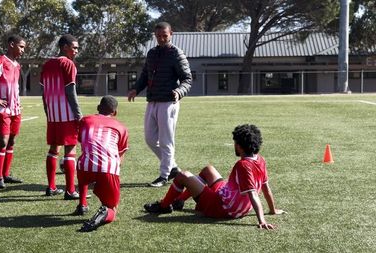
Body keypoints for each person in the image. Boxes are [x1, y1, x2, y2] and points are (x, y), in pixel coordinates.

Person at [143, 124, 286, 229]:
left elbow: (253, 193)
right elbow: (265, 186)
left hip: (222, 207)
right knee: (208, 170)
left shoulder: (243, 165)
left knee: (182, 175)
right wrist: (272, 210)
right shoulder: (260, 159)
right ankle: (179, 201)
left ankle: (163, 206)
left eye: (235, 142)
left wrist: (261, 220)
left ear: (239, 146)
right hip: (232, 201)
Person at [127, 22, 191, 187]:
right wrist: (136, 89)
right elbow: (145, 74)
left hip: (169, 102)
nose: (162, 39)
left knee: (166, 141)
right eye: (158, 36)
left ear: (171, 34)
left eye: (165, 35)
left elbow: (187, 79)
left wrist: (179, 92)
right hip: (152, 101)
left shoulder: (177, 54)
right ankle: (173, 167)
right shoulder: (152, 53)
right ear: (155, 36)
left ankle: (164, 176)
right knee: (149, 139)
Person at [74, 96, 129, 232]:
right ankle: (104, 213)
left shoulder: (85, 120)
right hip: (107, 168)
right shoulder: (121, 127)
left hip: (84, 167)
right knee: (112, 208)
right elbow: (120, 155)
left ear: (98, 108)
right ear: (115, 113)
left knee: (84, 161)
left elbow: (84, 142)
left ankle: (82, 203)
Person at [40, 34, 83, 199]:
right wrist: (78, 115)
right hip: (66, 114)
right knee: (70, 150)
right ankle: (71, 190)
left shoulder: (47, 64)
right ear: (65, 47)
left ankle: (51, 187)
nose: (76, 51)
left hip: (53, 114)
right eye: (75, 47)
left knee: (53, 150)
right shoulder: (68, 64)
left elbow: (43, 93)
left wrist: (47, 111)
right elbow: (70, 92)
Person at [0, 35, 26, 189]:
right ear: (12, 44)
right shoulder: (1, 60)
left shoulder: (17, 65)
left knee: (12, 141)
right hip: (2, 110)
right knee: (2, 141)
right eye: (21, 47)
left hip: (15, 109)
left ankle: (6, 174)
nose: (23, 50)